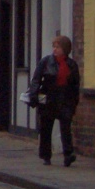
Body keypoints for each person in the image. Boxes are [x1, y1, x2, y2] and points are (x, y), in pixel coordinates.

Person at [27, 35, 80, 167]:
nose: (55, 49)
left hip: (65, 100)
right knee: (46, 128)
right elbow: (36, 80)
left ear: (66, 49)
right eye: (54, 47)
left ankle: (68, 154)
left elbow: (75, 86)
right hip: (49, 99)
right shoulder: (45, 62)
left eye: (58, 47)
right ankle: (46, 156)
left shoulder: (72, 65)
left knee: (66, 128)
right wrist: (33, 96)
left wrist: (74, 103)